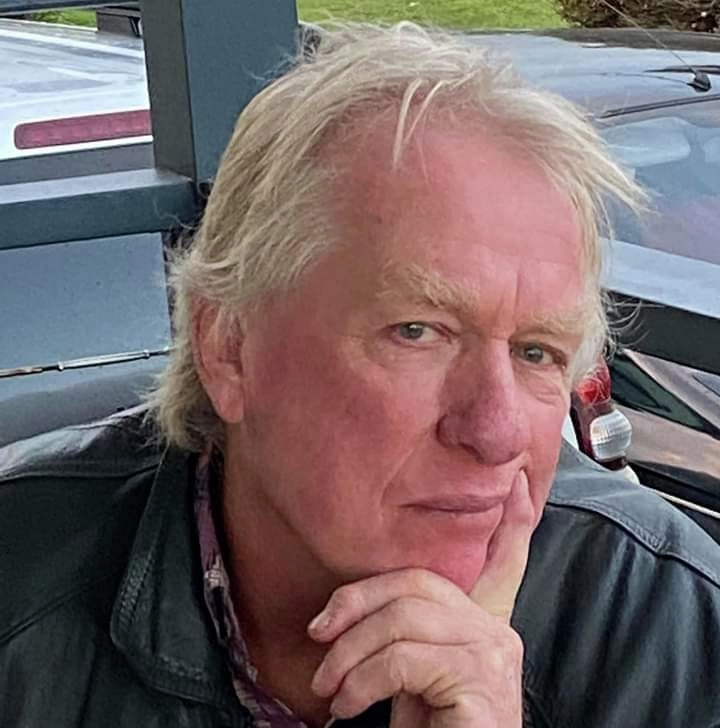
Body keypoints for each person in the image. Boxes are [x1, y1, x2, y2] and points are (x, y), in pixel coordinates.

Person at [2, 23, 720, 728]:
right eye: (418, 332)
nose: (498, 433)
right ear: (228, 347)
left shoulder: (659, 619)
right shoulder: (23, 582)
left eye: (536, 352)